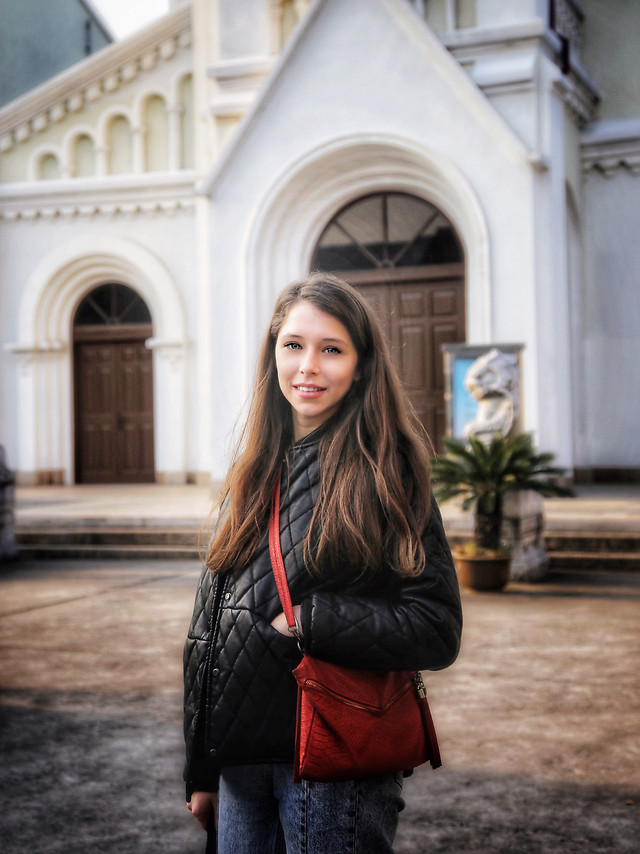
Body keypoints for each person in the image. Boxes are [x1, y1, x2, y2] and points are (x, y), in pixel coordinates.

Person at [183, 273, 462, 853]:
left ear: (360, 366)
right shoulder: (252, 468)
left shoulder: (388, 473)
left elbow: (436, 626)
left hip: (332, 762)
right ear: (273, 355)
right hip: (240, 770)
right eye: (294, 345)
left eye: (331, 349)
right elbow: (206, 630)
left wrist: (314, 622)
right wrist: (202, 769)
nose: (308, 365)